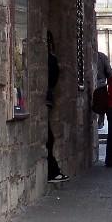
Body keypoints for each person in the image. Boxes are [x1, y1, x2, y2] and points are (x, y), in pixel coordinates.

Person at [46, 31, 69, 182]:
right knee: (48, 137)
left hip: (47, 99)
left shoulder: (50, 59)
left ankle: (53, 170)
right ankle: (52, 170)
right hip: (47, 99)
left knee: (49, 137)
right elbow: (53, 79)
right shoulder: (51, 59)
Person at [95, 50, 112, 129]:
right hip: (101, 83)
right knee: (101, 103)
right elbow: (108, 71)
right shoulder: (102, 56)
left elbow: (108, 71)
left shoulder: (101, 56)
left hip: (98, 82)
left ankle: (99, 121)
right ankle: (100, 121)